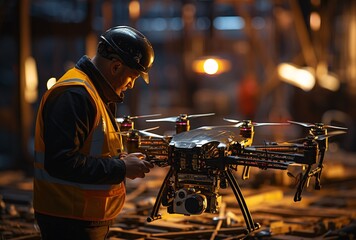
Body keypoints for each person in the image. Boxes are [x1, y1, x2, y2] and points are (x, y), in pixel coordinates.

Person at [33, 26, 155, 240]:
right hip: (68, 221)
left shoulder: (93, 93)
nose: (132, 85)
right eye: (133, 76)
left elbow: (89, 150)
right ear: (116, 67)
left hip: (81, 217)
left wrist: (121, 160)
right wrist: (121, 168)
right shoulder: (74, 95)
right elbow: (62, 162)